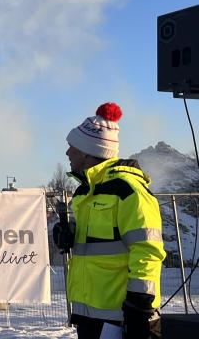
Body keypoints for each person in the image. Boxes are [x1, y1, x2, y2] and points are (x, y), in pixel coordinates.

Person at [54, 102, 165, 339]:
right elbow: (100, 243)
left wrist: (140, 305)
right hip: (90, 315)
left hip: (125, 316)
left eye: (71, 147)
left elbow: (147, 251)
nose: (67, 153)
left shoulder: (129, 191)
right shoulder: (84, 193)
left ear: (86, 151)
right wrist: (71, 235)